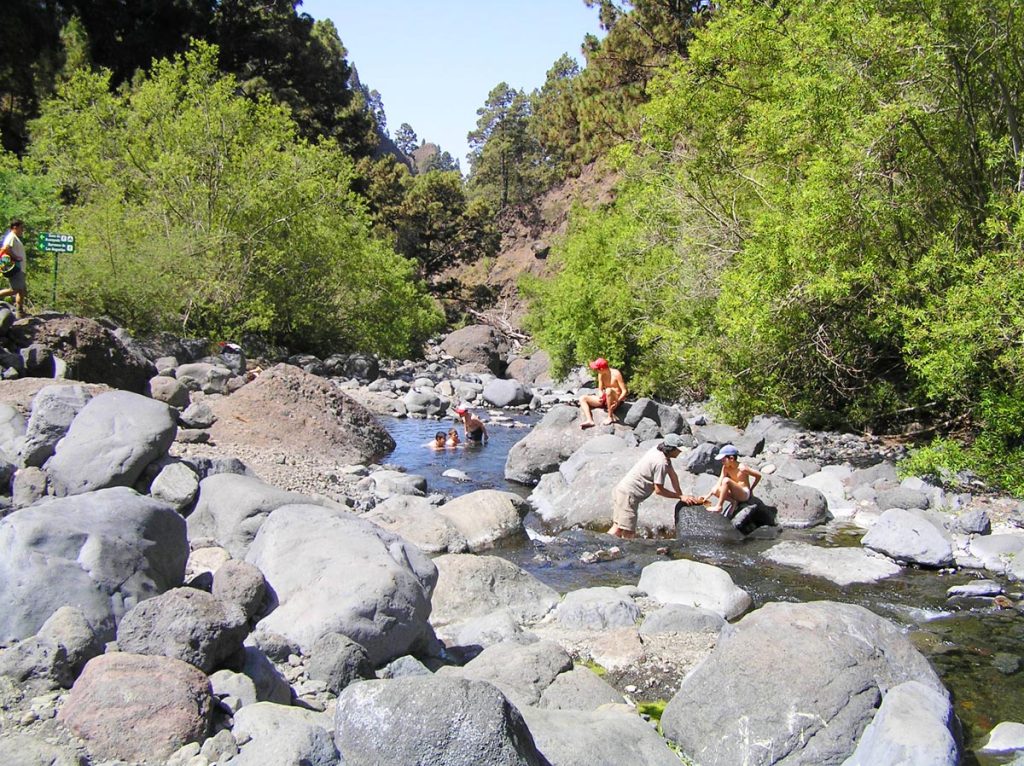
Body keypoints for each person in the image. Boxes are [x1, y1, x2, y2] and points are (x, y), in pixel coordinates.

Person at [607, 433, 703, 538]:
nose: (680, 453)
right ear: (671, 449)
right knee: (629, 533)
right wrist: (679, 497)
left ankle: (603, 547)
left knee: (618, 527)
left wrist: (682, 496)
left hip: (622, 491)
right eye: (678, 450)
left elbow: (673, 476)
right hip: (628, 496)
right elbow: (659, 491)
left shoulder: (658, 450)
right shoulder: (661, 463)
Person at [705, 444, 762, 517]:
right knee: (714, 490)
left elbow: (758, 476)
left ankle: (719, 506)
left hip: (743, 494)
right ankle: (733, 502)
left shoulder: (742, 468)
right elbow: (719, 481)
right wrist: (708, 495)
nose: (722, 462)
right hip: (734, 493)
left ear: (731, 458)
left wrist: (751, 489)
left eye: (723, 460)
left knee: (726, 480)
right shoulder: (725, 467)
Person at [579, 358, 627, 429]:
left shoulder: (616, 373)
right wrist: (600, 395)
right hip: (606, 398)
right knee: (582, 398)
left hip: (615, 400)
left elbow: (624, 391)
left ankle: (610, 417)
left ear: (601, 369)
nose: (595, 370)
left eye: (596, 369)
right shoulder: (600, 374)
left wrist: (618, 401)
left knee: (608, 390)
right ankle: (589, 420)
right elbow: (600, 389)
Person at [0, 219, 28, 318]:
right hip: (16, 268)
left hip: (20, 269)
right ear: (15, 227)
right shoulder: (11, 237)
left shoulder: (15, 237)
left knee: (22, 291)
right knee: (15, 289)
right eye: (21, 228)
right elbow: (6, 248)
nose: (22, 230)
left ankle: (19, 312)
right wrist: (16, 257)